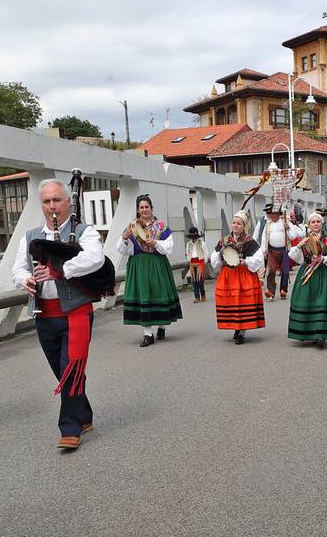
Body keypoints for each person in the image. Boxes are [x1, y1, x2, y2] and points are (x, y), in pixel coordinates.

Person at [13, 179, 107, 450]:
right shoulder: (31, 236)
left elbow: (95, 258)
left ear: (68, 201)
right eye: (46, 201)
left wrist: (60, 270)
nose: (52, 206)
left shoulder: (83, 231)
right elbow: (18, 268)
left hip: (76, 312)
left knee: (70, 367)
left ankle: (70, 427)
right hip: (45, 314)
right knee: (62, 370)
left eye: (56, 200)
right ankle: (84, 413)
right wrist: (26, 280)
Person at [119, 195, 183, 346]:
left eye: (146, 207)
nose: (144, 209)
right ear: (138, 210)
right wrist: (124, 237)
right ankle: (147, 334)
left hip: (157, 263)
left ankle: (162, 325)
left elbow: (169, 247)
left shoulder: (161, 226)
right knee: (144, 296)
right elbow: (122, 249)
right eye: (141, 207)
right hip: (138, 264)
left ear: (151, 208)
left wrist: (155, 242)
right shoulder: (132, 226)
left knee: (159, 293)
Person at [286, 211, 327, 347]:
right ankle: (307, 331)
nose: (316, 224)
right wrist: (300, 245)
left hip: (324, 274)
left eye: (318, 221)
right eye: (313, 222)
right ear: (309, 225)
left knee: (322, 301)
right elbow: (295, 256)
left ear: (322, 223)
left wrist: (324, 258)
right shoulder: (305, 239)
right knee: (307, 299)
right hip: (308, 272)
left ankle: (321, 335)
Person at [211, 210, 266, 344]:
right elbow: (214, 256)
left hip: (243, 274)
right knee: (231, 302)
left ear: (244, 226)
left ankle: (242, 331)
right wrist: (220, 256)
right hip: (228, 275)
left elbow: (259, 258)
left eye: (239, 223)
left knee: (242, 302)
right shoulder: (224, 240)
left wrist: (246, 261)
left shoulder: (249, 241)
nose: (235, 226)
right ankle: (236, 326)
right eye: (234, 223)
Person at [260, 204, 302, 300]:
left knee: (285, 271)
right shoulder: (268, 225)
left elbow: (292, 236)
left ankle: (283, 290)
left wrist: (288, 228)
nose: (273, 216)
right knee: (271, 271)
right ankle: (270, 291)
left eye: (275, 214)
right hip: (271, 251)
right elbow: (264, 238)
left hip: (284, 251)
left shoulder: (285, 223)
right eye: (271, 214)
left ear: (279, 214)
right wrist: (263, 250)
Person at [184, 225, 208, 303]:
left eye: (194, 236)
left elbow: (206, 253)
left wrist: (204, 263)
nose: (193, 238)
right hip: (192, 262)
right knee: (194, 281)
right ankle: (197, 297)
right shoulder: (188, 244)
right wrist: (190, 260)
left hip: (200, 261)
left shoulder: (202, 243)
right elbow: (187, 253)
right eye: (192, 236)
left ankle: (203, 295)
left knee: (199, 280)